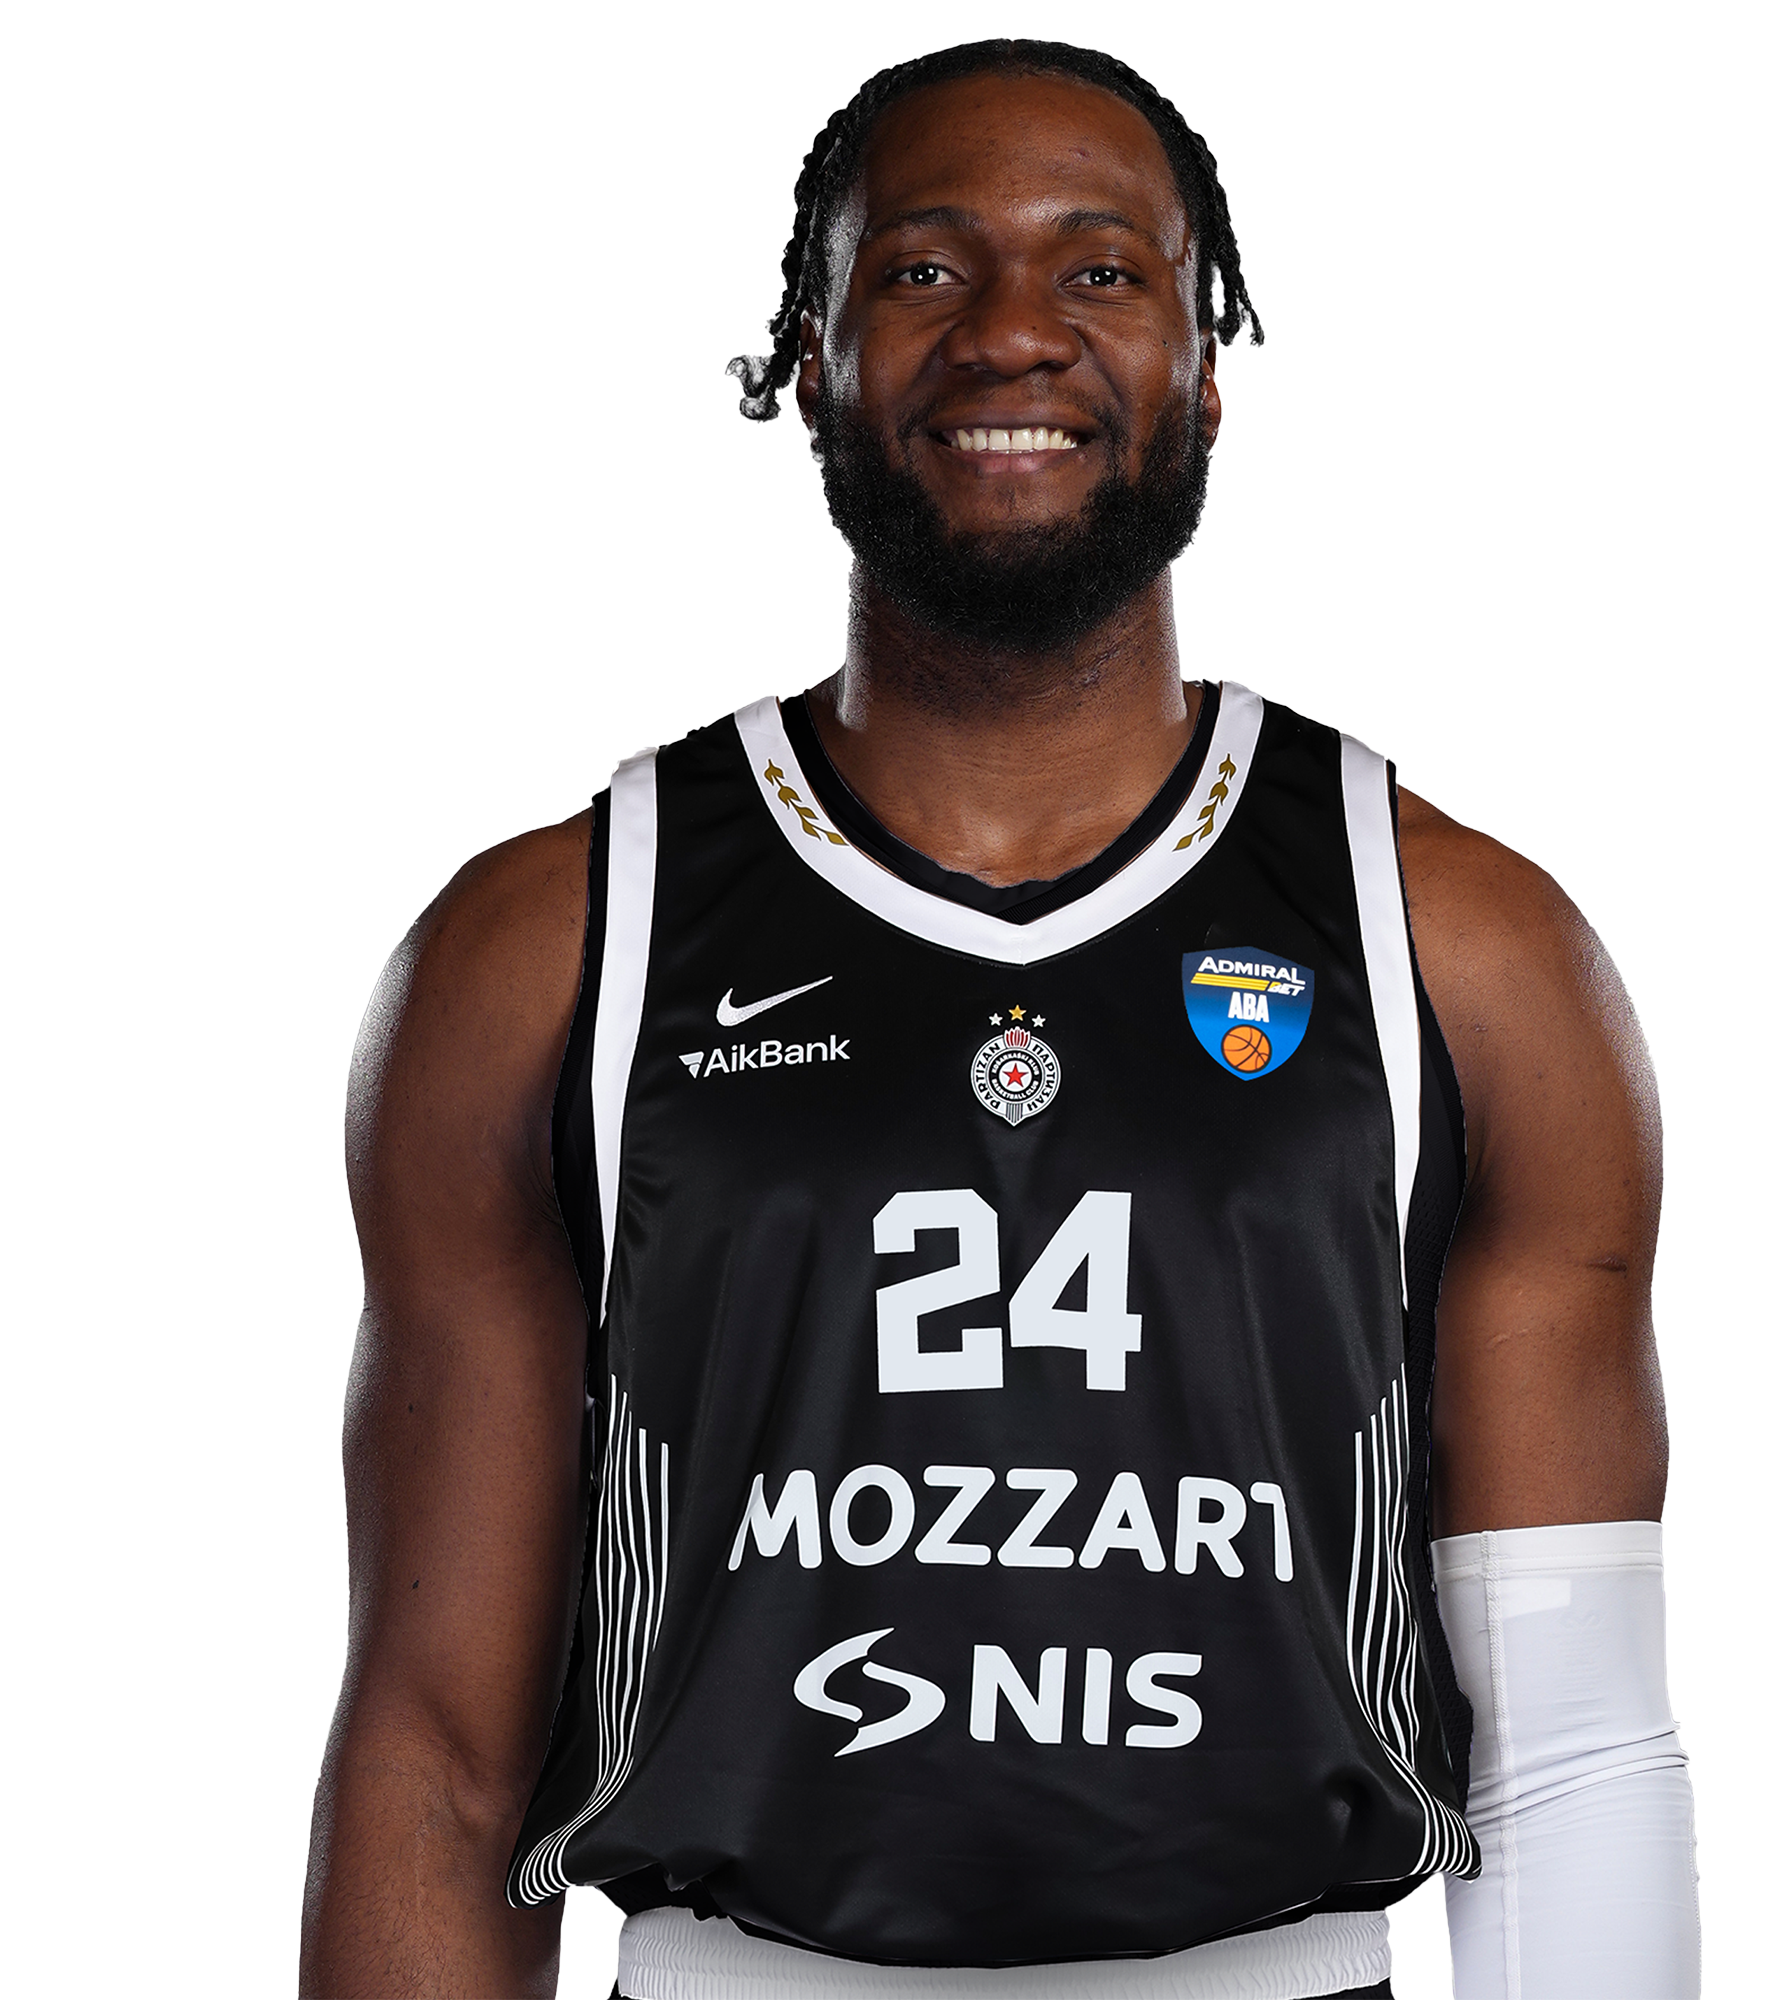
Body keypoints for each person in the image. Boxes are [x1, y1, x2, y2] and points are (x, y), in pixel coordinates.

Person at [300, 39, 1699, 2000]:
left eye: (1101, 268)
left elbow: (1571, 1745)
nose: (1014, 331)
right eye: (924, 268)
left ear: (1208, 366)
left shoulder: (1462, 944)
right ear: (809, 362)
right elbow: (441, 1760)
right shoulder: (552, 945)